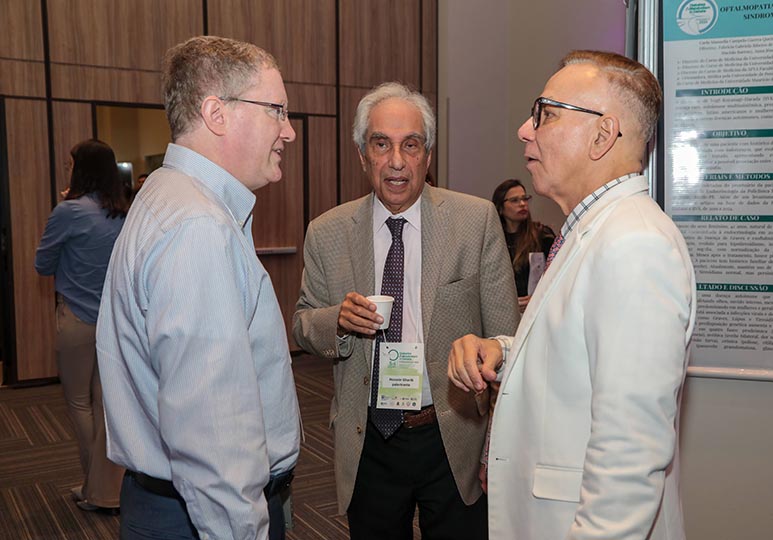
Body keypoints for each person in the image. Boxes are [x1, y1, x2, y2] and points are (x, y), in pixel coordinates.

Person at [448, 50, 696, 539]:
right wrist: (503, 350)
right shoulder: (591, 231)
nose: (524, 129)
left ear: (603, 135)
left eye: (545, 114)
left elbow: (628, 460)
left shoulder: (635, 245)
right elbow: (581, 355)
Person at [95, 36, 301, 540]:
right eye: (276, 110)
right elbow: (214, 437)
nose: (289, 131)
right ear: (216, 113)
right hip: (197, 518)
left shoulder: (168, 196)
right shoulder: (197, 226)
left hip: (170, 505)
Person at [293, 82, 519, 540]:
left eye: (410, 145)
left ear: (427, 156)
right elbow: (302, 324)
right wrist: (337, 321)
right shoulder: (327, 232)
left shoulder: (474, 221)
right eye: (382, 144)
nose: (396, 161)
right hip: (369, 438)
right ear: (362, 155)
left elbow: (507, 338)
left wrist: (496, 449)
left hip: (453, 435)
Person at [35, 138, 128, 515]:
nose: (67, 170)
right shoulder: (122, 213)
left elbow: (43, 264)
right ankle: (106, 490)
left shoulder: (68, 212)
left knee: (78, 404)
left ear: (83, 170)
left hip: (75, 318)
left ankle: (94, 490)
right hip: (112, 322)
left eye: (71, 165)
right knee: (105, 407)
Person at [491, 179, 556, 311]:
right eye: (514, 200)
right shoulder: (493, 239)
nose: (522, 204)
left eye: (525, 199)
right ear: (500, 208)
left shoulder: (542, 235)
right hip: (503, 309)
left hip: (537, 307)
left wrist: (538, 298)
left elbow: (557, 274)